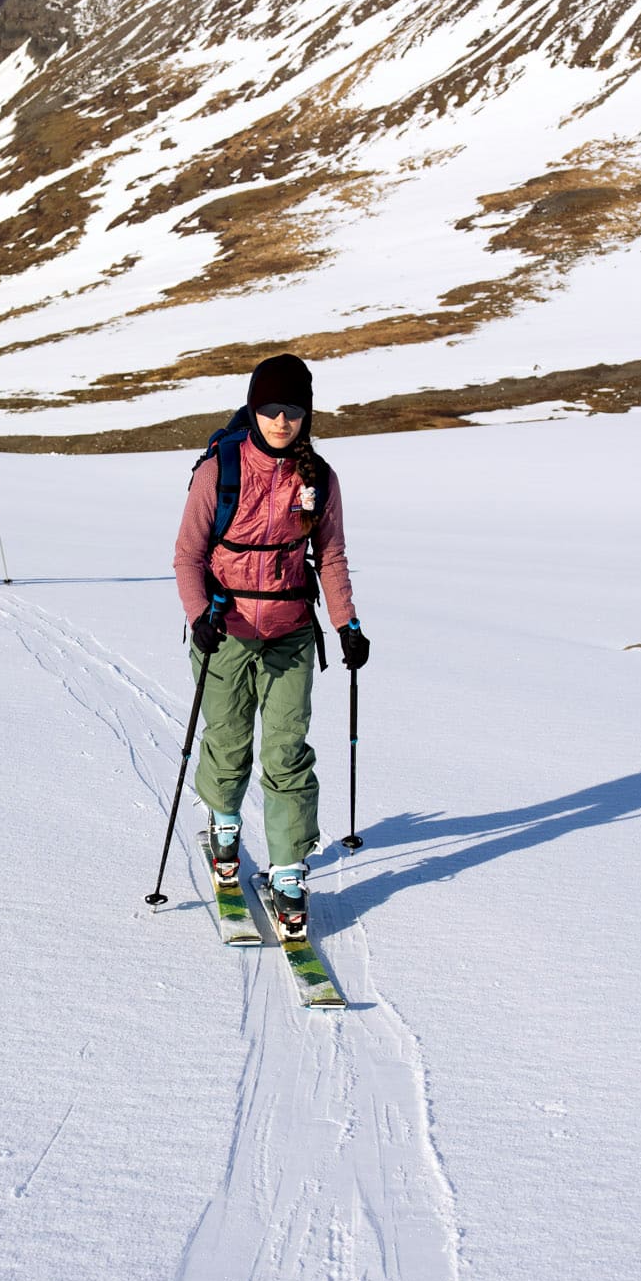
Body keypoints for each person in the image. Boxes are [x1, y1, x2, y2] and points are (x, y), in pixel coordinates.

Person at [173, 353, 370, 940]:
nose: (282, 421)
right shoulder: (220, 472)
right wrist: (197, 615)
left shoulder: (319, 478)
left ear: (308, 414)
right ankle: (226, 827)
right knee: (229, 741)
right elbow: (187, 555)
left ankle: (288, 873)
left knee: (286, 751)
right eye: (271, 409)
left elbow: (329, 556)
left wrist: (347, 624)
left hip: (290, 632)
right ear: (254, 408)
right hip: (225, 631)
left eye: (294, 410)